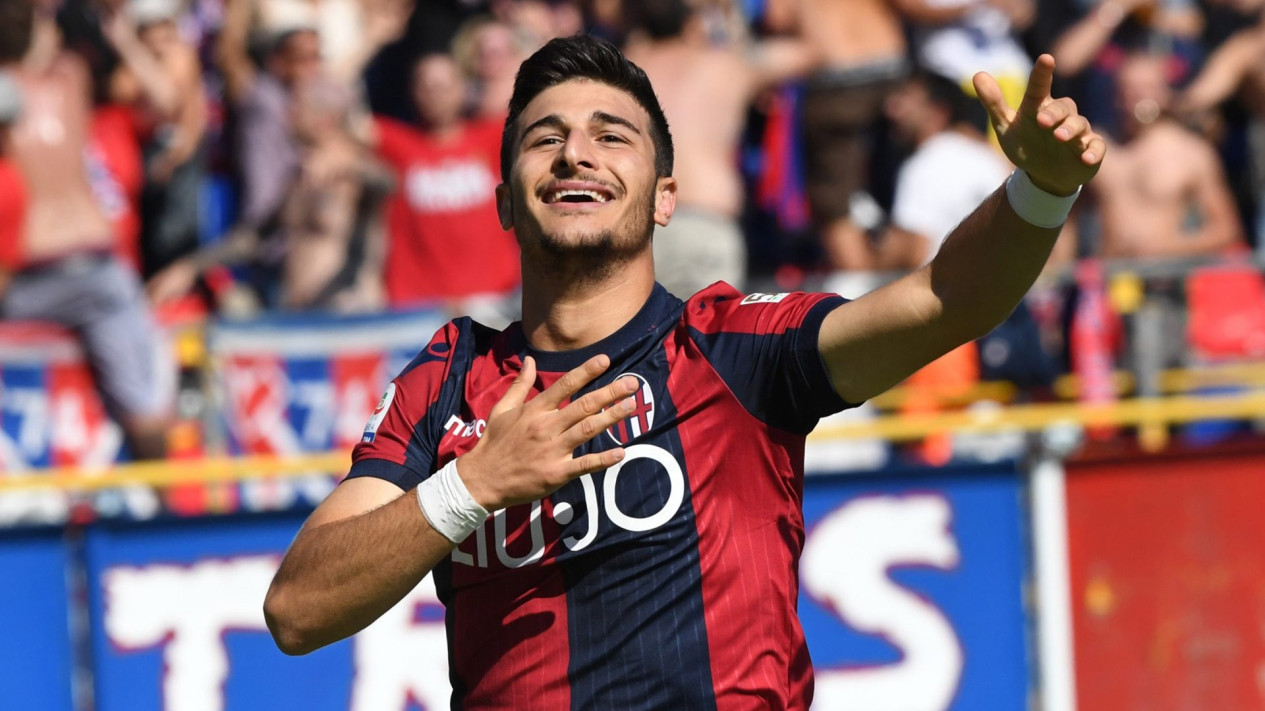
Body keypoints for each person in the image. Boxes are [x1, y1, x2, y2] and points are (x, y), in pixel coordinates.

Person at [264, 35, 1104, 708]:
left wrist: (1041, 189)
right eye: (545, 138)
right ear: (505, 201)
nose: (575, 154)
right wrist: (473, 484)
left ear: (665, 196)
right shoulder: (448, 378)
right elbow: (297, 611)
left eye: (611, 136)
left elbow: (945, 297)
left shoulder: (734, 347)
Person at [0, 0, 169, 459]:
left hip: (29, 276)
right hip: (97, 266)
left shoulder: (17, 95)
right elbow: (167, 102)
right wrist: (120, 35)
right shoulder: (71, 77)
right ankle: (166, 495)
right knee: (147, 416)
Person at [623, 0, 818, 298]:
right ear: (692, 25)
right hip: (709, 219)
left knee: (640, 327)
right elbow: (808, 51)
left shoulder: (622, 71)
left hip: (640, 223)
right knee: (711, 327)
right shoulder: (727, 65)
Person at [369, 52, 520, 311]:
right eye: (425, 86)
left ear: (463, 88)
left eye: (443, 86)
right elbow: (341, 117)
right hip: (418, 308)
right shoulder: (397, 143)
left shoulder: (493, 137)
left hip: (495, 302)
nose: (434, 94)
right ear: (412, 92)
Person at [1091, 49, 1244, 258]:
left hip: (1165, 273)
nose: (1137, 97)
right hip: (1107, 273)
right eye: (1129, 88)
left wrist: (1167, 246)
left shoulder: (1191, 152)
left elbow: (1227, 230)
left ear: (1165, 93)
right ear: (1115, 94)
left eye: (1147, 88)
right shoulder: (1095, 146)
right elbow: (1064, 219)